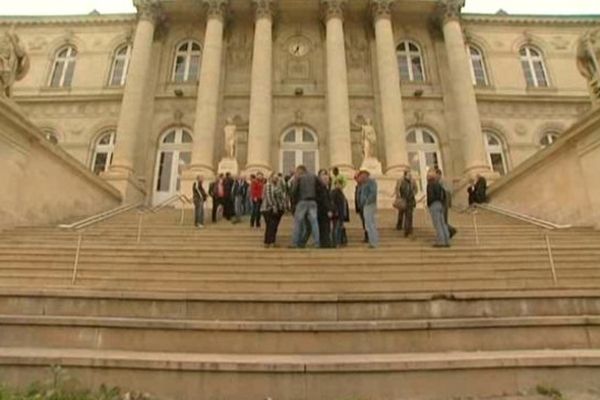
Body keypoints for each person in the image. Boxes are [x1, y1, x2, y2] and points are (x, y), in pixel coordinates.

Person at [289, 165, 320, 248]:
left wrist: (293, 203)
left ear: (300, 171)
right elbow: (321, 187)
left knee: (298, 223)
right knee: (314, 223)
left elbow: (293, 191)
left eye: (297, 171)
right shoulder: (314, 176)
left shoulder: (299, 178)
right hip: (313, 201)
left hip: (302, 201)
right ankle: (317, 242)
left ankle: (295, 243)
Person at [427, 169, 451, 248]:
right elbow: (444, 194)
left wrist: (429, 203)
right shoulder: (438, 184)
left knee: (437, 224)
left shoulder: (430, 184)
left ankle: (441, 241)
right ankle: (446, 240)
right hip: (441, 204)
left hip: (434, 204)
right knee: (443, 223)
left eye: (428, 175)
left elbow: (430, 196)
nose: (427, 176)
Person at [262, 173, 287, 248]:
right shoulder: (268, 185)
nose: (276, 179)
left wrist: (283, 207)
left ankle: (272, 241)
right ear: (271, 177)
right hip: (269, 209)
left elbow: (282, 196)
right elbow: (270, 197)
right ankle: (268, 242)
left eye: (277, 178)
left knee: (274, 226)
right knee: (270, 226)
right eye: (275, 177)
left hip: (278, 209)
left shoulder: (278, 186)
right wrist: (274, 207)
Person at [357, 170, 379, 249]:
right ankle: (372, 241)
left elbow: (373, 193)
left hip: (369, 205)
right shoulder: (363, 184)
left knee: (370, 223)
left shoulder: (371, 182)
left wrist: (366, 201)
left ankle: (374, 242)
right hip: (365, 205)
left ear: (366, 175)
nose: (360, 177)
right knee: (368, 224)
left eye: (362, 175)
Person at [436, 168, 457, 239]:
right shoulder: (442, 182)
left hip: (443, 203)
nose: (435, 177)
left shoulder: (441, 182)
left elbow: (444, 194)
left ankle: (451, 231)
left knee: (442, 220)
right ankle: (448, 233)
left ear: (438, 174)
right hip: (444, 203)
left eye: (436, 175)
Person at [395, 170, 417, 237]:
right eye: (408, 174)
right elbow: (397, 189)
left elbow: (416, 189)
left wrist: (413, 193)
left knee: (409, 215)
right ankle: (399, 225)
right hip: (403, 199)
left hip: (410, 200)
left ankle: (408, 229)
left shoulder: (413, 181)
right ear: (405, 175)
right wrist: (398, 197)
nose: (410, 176)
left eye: (410, 174)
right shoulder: (400, 180)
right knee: (401, 213)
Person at [316, 170, 334, 248]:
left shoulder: (325, 188)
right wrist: (329, 210)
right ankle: (325, 243)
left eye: (327, 176)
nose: (326, 178)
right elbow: (324, 200)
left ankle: (326, 242)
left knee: (326, 227)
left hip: (323, 210)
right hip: (322, 211)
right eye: (324, 175)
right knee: (324, 227)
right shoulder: (321, 188)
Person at [331, 179, 348, 247]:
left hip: (341, 213)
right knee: (336, 228)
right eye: (337, 184)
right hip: (337, 213)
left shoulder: (341, 193)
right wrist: (335, 211)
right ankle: (335, 242)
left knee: (339, 228)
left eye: (340, 184)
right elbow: (332, 202)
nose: (339, 185)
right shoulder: (334, 192)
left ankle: (337, 242)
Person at [354, 173, 368, 243]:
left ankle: (368, 236)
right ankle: (367, 236)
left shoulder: (364, 186)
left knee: (366, 222)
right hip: (360, 207)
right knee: (364, 222)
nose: (356, 180)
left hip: (364, 207)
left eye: (357, 178)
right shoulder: (358, 186)